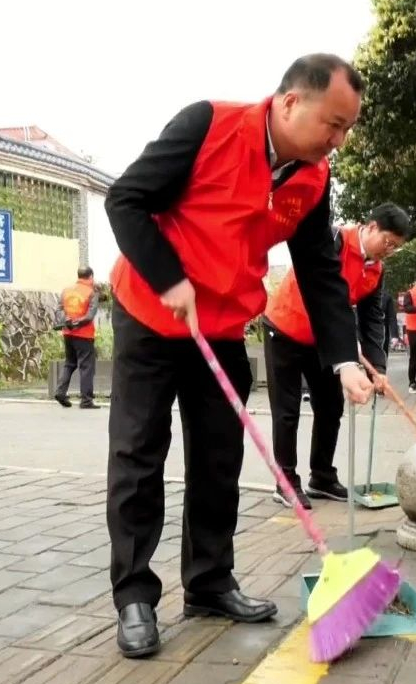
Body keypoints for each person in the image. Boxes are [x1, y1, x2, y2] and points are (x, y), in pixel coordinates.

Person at [104, 53, 375, 659]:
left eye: (347, 129)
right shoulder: (207, 126)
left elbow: (320, 270)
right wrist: (169, 278)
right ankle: (135, 596)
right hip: (153, 313)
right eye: (333, 124)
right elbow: (125, 200)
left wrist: (343, 360)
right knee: (138, 454)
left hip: (222, 326)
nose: (338, 140)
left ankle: (209, 582)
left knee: (219, 458)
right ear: (290, 102)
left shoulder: (314, 178)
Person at [262, 203, 410, 510]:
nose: (389, 250)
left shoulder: (376, 271)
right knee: (287, 411)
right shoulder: (333, 240)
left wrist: (377, 367)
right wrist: (344, 342)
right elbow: (322, 294)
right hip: (285, 327)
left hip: (323, 340)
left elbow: (372, 320)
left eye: (395, 248)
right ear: (371, 227)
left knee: (330, 406)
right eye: (388, 242)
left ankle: (322, 476)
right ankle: (285, 482)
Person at [54, 266, 100, 409]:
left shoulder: (66, 291)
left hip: (68, 333)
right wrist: (77, 323)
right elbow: (90, 316)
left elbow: (59, 310)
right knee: (86, 367)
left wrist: (67, 320)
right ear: (91, 276)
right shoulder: (92, 292)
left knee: (69, 363)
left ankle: (60, 392)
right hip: (84, 335)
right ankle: (86, 401)